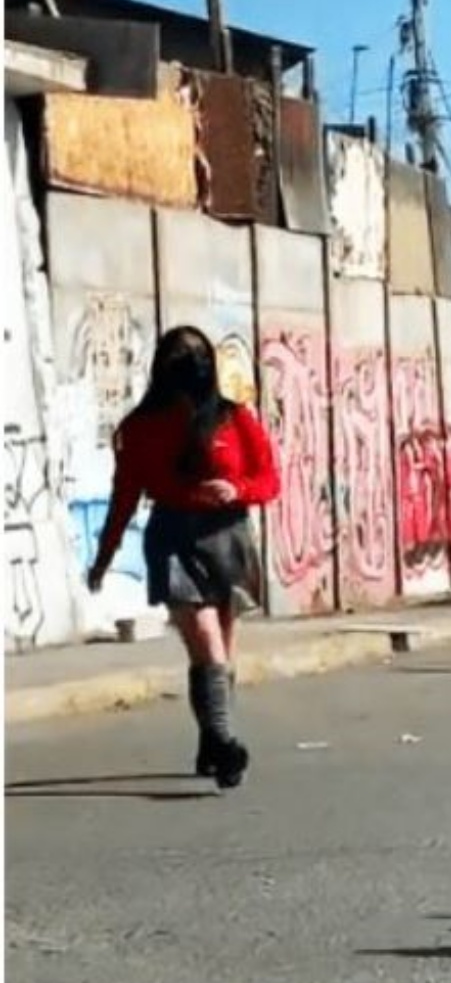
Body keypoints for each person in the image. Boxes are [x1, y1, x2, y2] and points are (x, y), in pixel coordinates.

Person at [88, 326, 281, 789]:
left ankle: (212, 740)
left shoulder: (234, 419)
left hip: (227, 535)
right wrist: (105, 555)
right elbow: (125, 495)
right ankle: (226, 746)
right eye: (180, 358)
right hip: (173, 537)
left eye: (195, 357)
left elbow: (269, 478)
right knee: (205, 637)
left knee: (218, 655)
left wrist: (238, 489)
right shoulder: (140, 428)